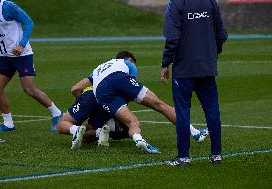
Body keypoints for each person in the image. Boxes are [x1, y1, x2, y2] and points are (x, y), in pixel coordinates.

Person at [69, 51, 209, 154]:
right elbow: (129, 88)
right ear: (130, 59)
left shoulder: (99, 68)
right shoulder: (127, 63)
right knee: (160, 106)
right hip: (118, 79)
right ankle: (195, 132)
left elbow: (76, 88)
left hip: (100, 91)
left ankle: (139, 139)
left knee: (132, 122)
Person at [160, 0, 228, 165]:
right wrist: (212, 53)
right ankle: (216, 155)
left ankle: (183, 157)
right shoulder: (210, 1)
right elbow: (221, 34)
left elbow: (172, 36)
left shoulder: (176, 3)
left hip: (184, 68)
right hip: (207, 67)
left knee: (183, 112)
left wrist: (165, 63)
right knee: (212, 111)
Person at [56, 86, 208, 151]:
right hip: (110, 103)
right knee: (130, 124)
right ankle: (99, 132)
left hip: (88, 97)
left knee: (62, 124)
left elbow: (75, 89)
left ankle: (76, 129)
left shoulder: (98, 74)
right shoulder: (123, 79)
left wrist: (81, 104)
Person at [0, 0, 62, 133]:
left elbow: (29, 22)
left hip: (23, 55)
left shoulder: (7, 7)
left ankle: (57, 113)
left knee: (29, 89)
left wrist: (21, 45)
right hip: (5, 56)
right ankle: (8, 124)